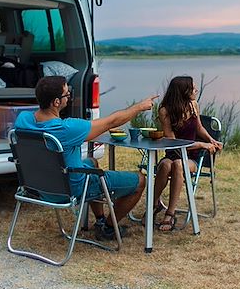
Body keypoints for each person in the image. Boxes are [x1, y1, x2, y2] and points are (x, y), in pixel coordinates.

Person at [14, 75, 157, 240]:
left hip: (40, 187)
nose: (69, 97)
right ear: (56, 102)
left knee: (92, 162)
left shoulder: (23, 120)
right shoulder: (66, 129)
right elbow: (111, 122)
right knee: (140, 180)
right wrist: (139, 107)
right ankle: (109, 229)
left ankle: (100, 220)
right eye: (67, 94)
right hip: (70, 190)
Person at [152, 76, 223, 231]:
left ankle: (169, 214)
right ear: (182, 91)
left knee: (178, 165)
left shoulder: (193, 105)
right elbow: (171, 140)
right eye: (192, 88)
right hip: (173, 152)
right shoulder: (165, 111)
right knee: (164, 165)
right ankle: (153, 205)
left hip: (191, 157)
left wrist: (211, 140)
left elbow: (199, 129)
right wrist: (200, 143)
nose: (195, 90)